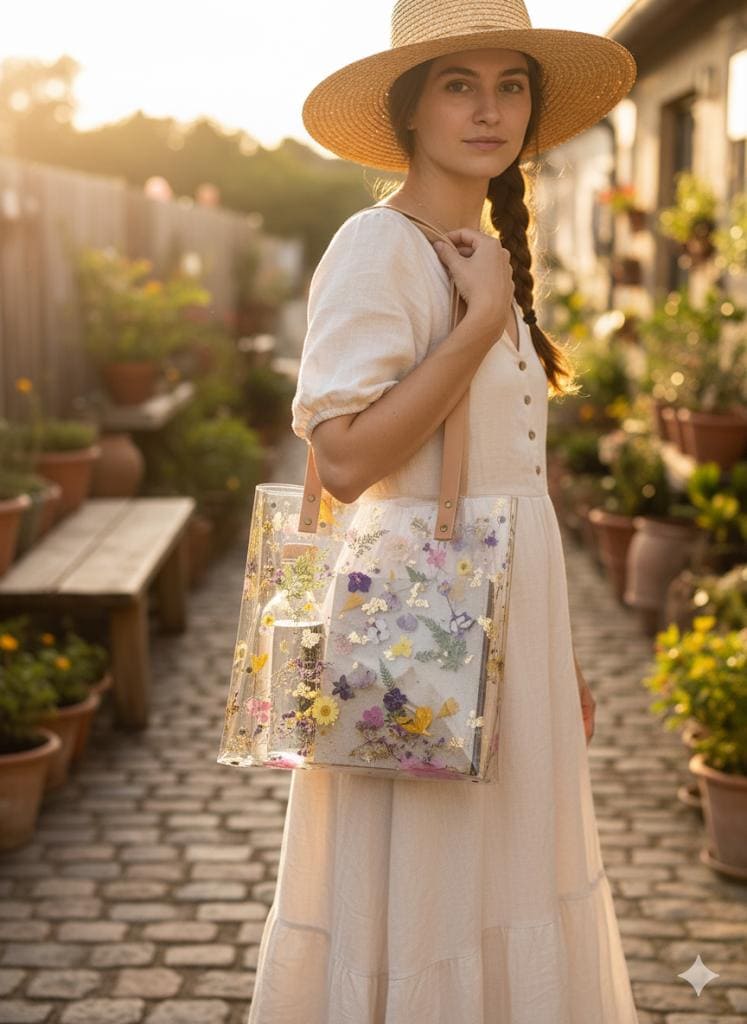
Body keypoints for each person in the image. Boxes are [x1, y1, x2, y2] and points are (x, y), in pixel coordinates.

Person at [246, 1, 639, 1021]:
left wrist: (559, 659)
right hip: (425, 626)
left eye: (510, 86)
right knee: (431, 899)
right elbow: (343, 458)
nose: (489, 110)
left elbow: (512, 475)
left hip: (508, 628)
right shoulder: (379, 246)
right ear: (410, 110)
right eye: (459, 85)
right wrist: (477, 326)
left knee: (503, 885)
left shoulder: (478, 250)